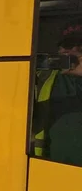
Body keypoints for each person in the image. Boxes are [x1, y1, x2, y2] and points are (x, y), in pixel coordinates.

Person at [34, 23, 82, 165]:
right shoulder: (42, 79)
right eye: (69, 44)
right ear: (60, 50)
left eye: (81, 44)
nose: (77, 49)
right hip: (55, 167)